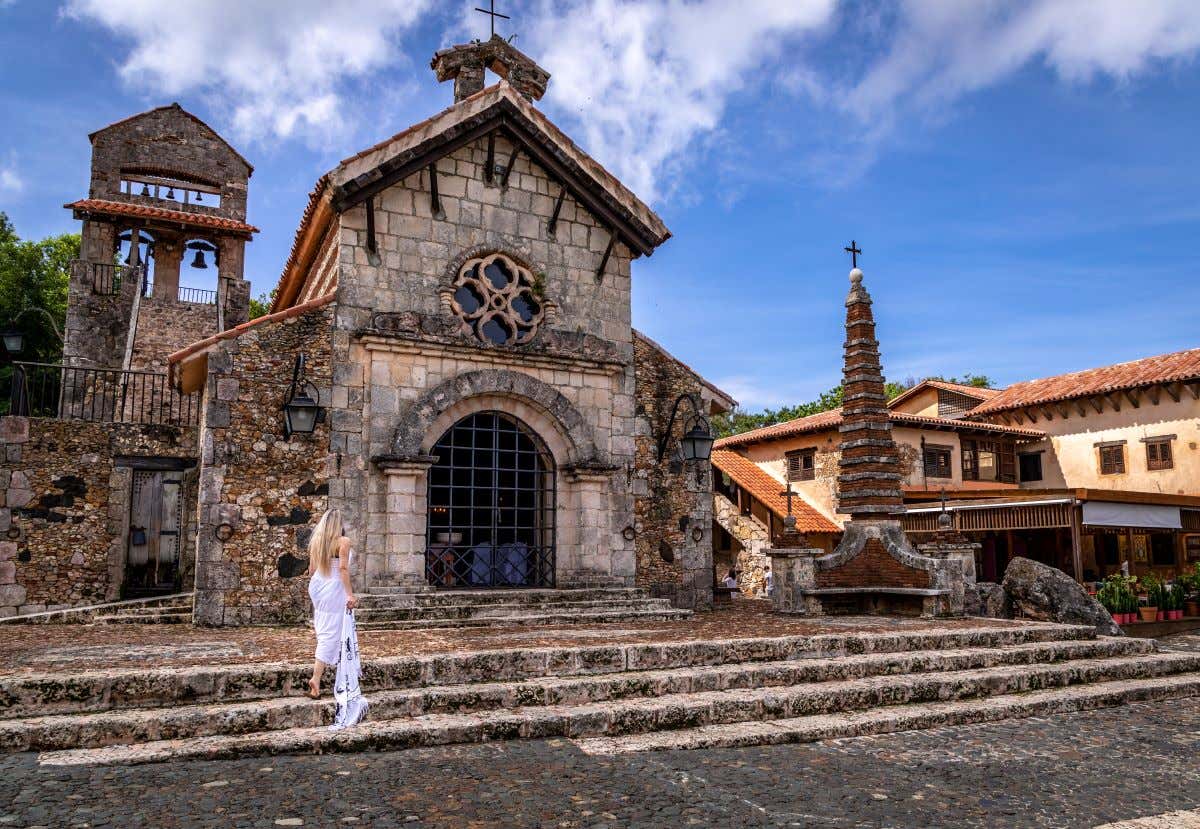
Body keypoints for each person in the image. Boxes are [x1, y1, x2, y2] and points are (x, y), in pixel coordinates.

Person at [306, 508, 357, 700]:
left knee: (325, 628)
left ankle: (338, 674)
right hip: (334, 587)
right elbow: (343, 569)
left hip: (318, 586)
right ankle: (316, 678)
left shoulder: (317, 542)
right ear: (338, 523)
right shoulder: (343, 542)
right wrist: (350, 594)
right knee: (331, 633)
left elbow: (311, 569)